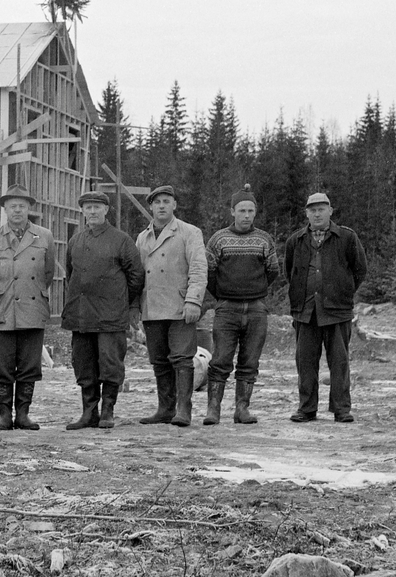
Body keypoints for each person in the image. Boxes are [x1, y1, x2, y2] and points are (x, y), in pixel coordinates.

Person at [0, 184, 55, 430]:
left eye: (22, 206)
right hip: (1, 309)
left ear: (29, 208)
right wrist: (0, 293)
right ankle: (3, 414)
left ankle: (23, 414)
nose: (17, 211)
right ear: (5, 210)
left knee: (30, 364)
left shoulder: (45, 236)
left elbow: (48, 272)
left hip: (33, 308)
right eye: (12, 206)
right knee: (2, 365)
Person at [63, 190, 144, 430]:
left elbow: (136, 275)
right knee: (83, 363)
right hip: (82, 315)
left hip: (111, 316)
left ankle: (108, 411)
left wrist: (120, 301)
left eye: (97, 207)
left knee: (110, 364)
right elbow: (72, 274)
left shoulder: (121, 240)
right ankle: (89, 412)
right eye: (88, 207)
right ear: (82, 211)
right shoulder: (76, 241)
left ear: (106, 210)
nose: (92, 211)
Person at [284, 192, 367, 423]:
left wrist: (343, 290)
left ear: (331, 211)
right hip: (306, 311)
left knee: (339, 362)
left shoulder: (347, 238)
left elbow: (360, 269)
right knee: (305, 362)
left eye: (321, 209)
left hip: (337, 311)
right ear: (306, 213)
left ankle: (341, 409)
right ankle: (306, 409)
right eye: (312, 210)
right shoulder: (295, 240)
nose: (317, 213)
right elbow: (289, 272)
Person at [203, 184, 281, 425]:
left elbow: (273, 271)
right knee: (221, 359)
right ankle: (213, 409)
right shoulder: (218, 239)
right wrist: (225, 295)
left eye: (250, 210)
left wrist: (254, 290)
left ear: (255, 212)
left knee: (250, 361)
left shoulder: (264, 239)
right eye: (241, 210)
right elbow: (209, 272)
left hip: (257, 309)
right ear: (232, 212)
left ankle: (242, 409)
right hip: (226, 308)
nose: (246, 215)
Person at [134, 185, 208, 427]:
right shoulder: (142, 237)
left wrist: (194, 301)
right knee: (159, 360)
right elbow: (137, 275)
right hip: (152, 308)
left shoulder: (189, 232)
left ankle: (183, 409)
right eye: (157, 202)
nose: (162, 206)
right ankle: (165, 409)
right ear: (151, 207)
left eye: (167, 201)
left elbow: (198, 269)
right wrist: (136, 307)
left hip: (180, 307)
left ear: (174, 205)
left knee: (181, 358)